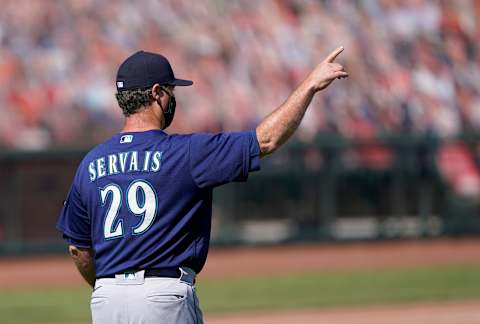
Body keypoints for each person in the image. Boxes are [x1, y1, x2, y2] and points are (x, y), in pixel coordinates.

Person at [56, 47, 348, 324]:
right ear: (157, 93)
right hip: (162, 295)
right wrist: (309, 85)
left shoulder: (91, 163)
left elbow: (78, 249)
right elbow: (266, 140)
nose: (173, 99)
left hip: (107, 299)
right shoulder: (187, 152)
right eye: (171, 91)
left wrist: (112, 285)